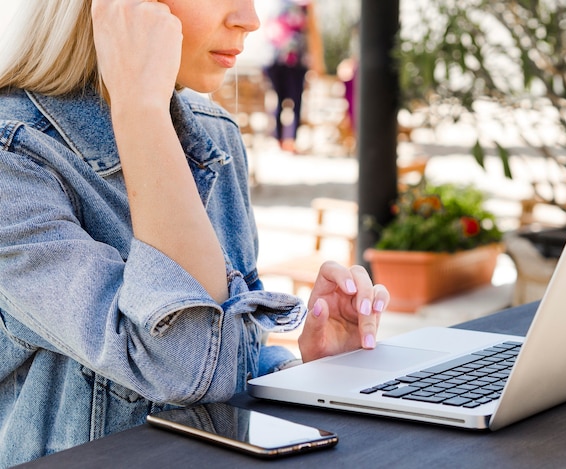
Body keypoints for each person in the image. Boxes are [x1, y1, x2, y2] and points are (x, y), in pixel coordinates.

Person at [0, 0, 388, 466]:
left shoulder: (214, 133)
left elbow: (227, 361)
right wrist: (140, 108)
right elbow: (182, 366)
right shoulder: (14, 162)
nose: (251, 19)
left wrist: (309, 372)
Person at [263, 0, 325, 152]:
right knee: (280, 101)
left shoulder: (304, 6)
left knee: (294, 101)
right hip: (277, 60)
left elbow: (312, 32)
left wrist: (316, 61)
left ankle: (289, 141)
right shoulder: (278, 4)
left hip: (292, 60)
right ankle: (280, 140)